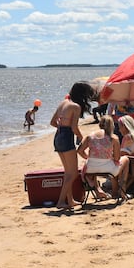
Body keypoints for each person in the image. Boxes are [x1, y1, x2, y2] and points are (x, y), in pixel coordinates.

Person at [50, 82, 94, 210]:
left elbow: (52, 122)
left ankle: (69, 200)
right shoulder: (75, 107)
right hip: (66, 137)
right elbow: (74, 127)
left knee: (67, 172)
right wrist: (81, 137)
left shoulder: (63, 103)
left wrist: (62, 128)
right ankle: (61, 201)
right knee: (73, 173)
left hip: (58, 136)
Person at [77, 115, 122, 201]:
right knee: (122, 162)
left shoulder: (90, 136)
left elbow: (79, 150)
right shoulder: (113, 138)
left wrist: (88, 157)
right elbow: (117, 158)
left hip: (91, 168)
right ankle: (115, 192)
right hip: (108, 168)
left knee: (92, 167)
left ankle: (98, 191)